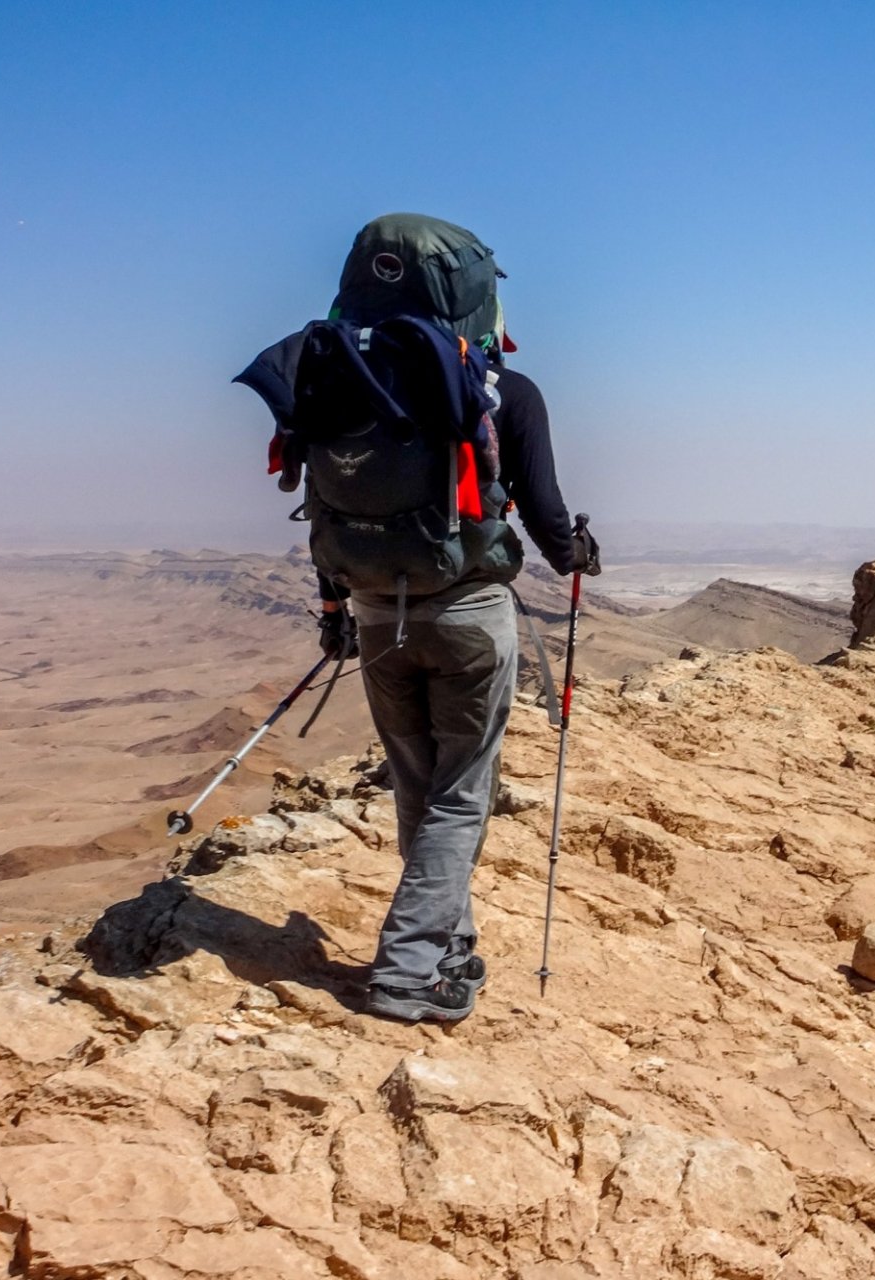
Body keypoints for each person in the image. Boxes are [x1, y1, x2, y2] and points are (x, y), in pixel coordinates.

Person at [238, 213, 600, 1023]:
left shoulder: (328, 376)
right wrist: (579, 550)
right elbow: (548, 527)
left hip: (374, 617)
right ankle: (406, 973)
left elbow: (322, 506)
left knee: (418, 787)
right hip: (468, 619)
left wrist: (335, 612)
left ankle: (446, 951)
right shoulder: (506, 391)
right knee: (459, 795)